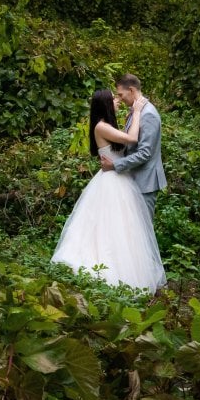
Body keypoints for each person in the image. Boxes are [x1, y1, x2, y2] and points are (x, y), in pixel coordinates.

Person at [50, 86, 167, 293]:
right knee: (110, 228)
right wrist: (138, 112)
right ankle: (109, 271)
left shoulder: (107, 125)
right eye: (113, 98)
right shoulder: (101, 127)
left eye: (118, 96)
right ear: (104, 103)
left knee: (123, 229)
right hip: (112, 181)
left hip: (120, 178)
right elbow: (131, 139)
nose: (117, 100)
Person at [100, 74, 167, 226]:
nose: (120, 99)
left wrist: (115, 165)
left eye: (121, 94)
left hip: (145, 181)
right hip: (134, 179)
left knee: (143, 230)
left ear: (131, 90)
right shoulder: (136, 111)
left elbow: (144, 153)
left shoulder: (148, 114)